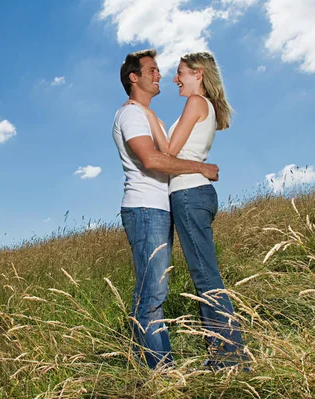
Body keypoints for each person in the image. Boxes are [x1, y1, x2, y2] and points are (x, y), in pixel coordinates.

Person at [127, 51, 247, 369]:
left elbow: (167, 151)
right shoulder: (201, 106)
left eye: (181, 72)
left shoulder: (195, 103)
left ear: (198, 74)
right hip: (196, 194)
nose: (175, 78)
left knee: (206, 278)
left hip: (189, 193)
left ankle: (230, 358)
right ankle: (226, 356)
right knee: (206, 277)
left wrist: (145, 113)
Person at [112, 49, 219, 369]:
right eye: (153, 70)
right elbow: (153, 160)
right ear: (135, 77)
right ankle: (161, 373)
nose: (160, 75)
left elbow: (167, 153)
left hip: (160, 208)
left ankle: (151, 366)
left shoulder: (148, 116)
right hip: (145, 209)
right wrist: (200, 168)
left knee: (153, 292)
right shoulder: (131, 115)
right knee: (152, 295)